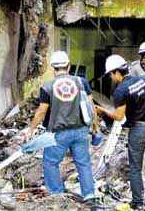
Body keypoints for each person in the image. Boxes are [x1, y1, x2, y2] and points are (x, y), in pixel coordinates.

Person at [95, 55, 145, 210]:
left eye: (111, 74)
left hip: (138, 130)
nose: (111, 78)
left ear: (117, 72)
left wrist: (102, 111)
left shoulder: (120, 91)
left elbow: (119, 116)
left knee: (135, 168)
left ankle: (137, 202)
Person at [22, 51, 98, 205]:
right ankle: (90, 196)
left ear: (53, 68)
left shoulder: (47, 86)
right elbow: (91, 107)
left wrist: (30, 130)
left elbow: (42, 111)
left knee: (51, 163)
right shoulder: (81, 82)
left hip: (58, 134)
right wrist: (95, 128)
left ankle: (57, 196)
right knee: (83, 164)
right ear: (68, 66)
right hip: (80, 131)